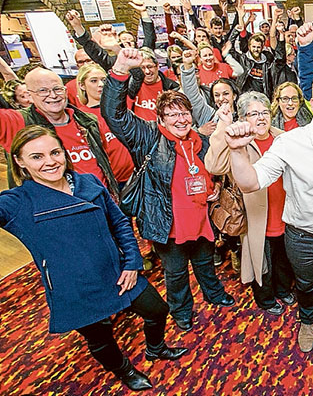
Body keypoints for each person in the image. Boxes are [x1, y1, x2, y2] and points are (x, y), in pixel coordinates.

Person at [0, 126, 187, 391]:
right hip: (75, 288)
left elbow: (120, 223)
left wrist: (132, 263)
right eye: (36, 157)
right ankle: (124, 371)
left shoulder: (88, 182)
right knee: (101, 339)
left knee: (158, 310)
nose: (50, 161)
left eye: (55, 152)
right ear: (19, 161)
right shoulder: (17, 202)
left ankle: (156, 349)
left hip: (116, 273)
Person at [222, 72, 313, 353]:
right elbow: (251, 182)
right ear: (311, 103)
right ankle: (307, 320)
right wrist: (237, 152)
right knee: (306, 284)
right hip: (301, 238)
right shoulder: (289, 142)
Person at [102, 48, 235, 333]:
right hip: (168, 222)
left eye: (184, 113)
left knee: (204, 262)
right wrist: (120, 70)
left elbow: (213, 169)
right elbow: (114, 115)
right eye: (171, 114)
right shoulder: (147, 136)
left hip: (201, 217)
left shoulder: (201, 140)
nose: (179, 119)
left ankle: (213, 293)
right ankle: (181, 310)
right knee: (176, 274)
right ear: (160, 118)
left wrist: (214, 189)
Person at [205, 94, 296, 316]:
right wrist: (223, 127)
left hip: (284, 212)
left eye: (265, 112)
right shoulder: (239, 141)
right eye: (254, 114)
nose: (261, 118)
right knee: (260, 260)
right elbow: (214, 165)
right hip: (256, 216)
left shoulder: (283, 138)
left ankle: (283, 289)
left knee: (283, 257)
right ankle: (265, 298)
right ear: (244, 118)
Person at [0, 67, 128, 195]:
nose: (53, 95)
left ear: (65, 91)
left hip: (103, 201)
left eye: (57, 89)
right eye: (43, 91)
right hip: (60, 209)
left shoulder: (87, 120)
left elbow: (105, 164)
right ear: (30, 95)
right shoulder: (18, 122)